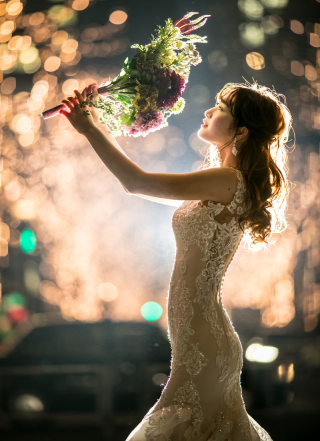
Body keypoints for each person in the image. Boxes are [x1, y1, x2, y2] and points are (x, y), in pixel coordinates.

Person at [60, 80, 293, 441]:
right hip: (199, 336)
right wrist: (96, 119)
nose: (208, 111)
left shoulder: (228, 180)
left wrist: (90, 128)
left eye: (220, 109)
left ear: (241, 132)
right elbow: (138, 185)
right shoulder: (220, 183)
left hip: (205, 340)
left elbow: (135, 182)